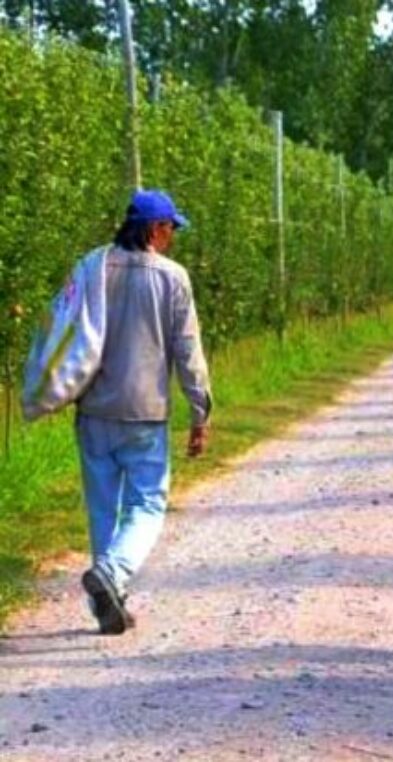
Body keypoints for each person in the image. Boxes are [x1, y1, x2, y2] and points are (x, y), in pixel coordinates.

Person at [77, 189, 212, 635]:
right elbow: (187, 349)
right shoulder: (172, 278)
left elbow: (65, 330)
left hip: (94, 407)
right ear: (154, 229)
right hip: (144, 412)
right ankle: (112, 576)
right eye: (171, 228)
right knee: (148, 505)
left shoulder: (92, 266)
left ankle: (109, 599)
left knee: (103, 509)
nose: (172, 236)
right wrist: (200, 410)